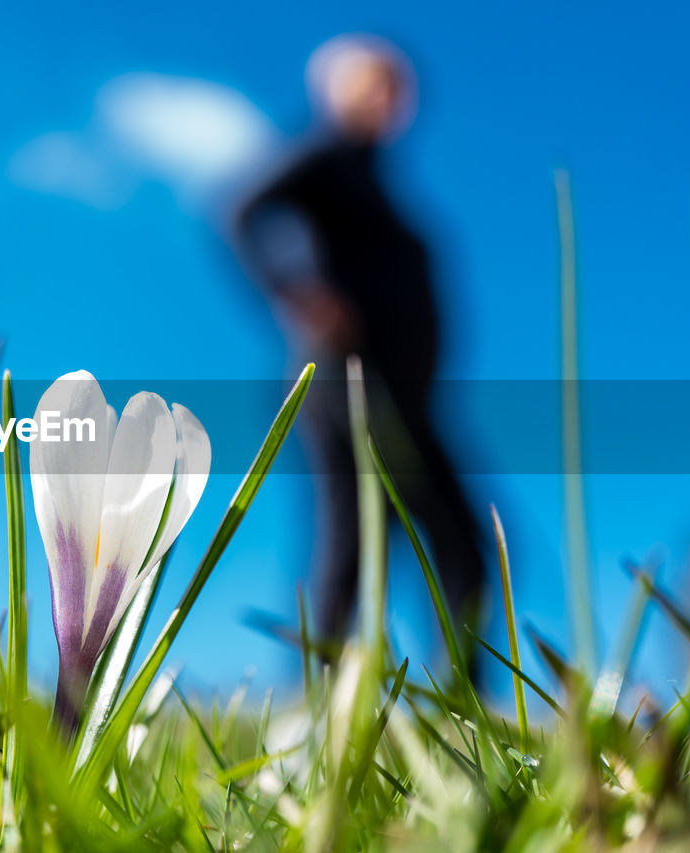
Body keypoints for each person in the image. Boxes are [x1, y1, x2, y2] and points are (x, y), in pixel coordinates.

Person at [233, 35, 485, 650]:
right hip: (345, 383)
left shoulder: (378, 182)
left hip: (407, 400)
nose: (393, 99)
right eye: (378, 83)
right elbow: (242, 208)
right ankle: (325, 699)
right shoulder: (325, 154)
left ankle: (469, 699)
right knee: (354, 535)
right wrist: (297, 294)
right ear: (339, 91)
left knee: (462, 542)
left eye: (399, 87)